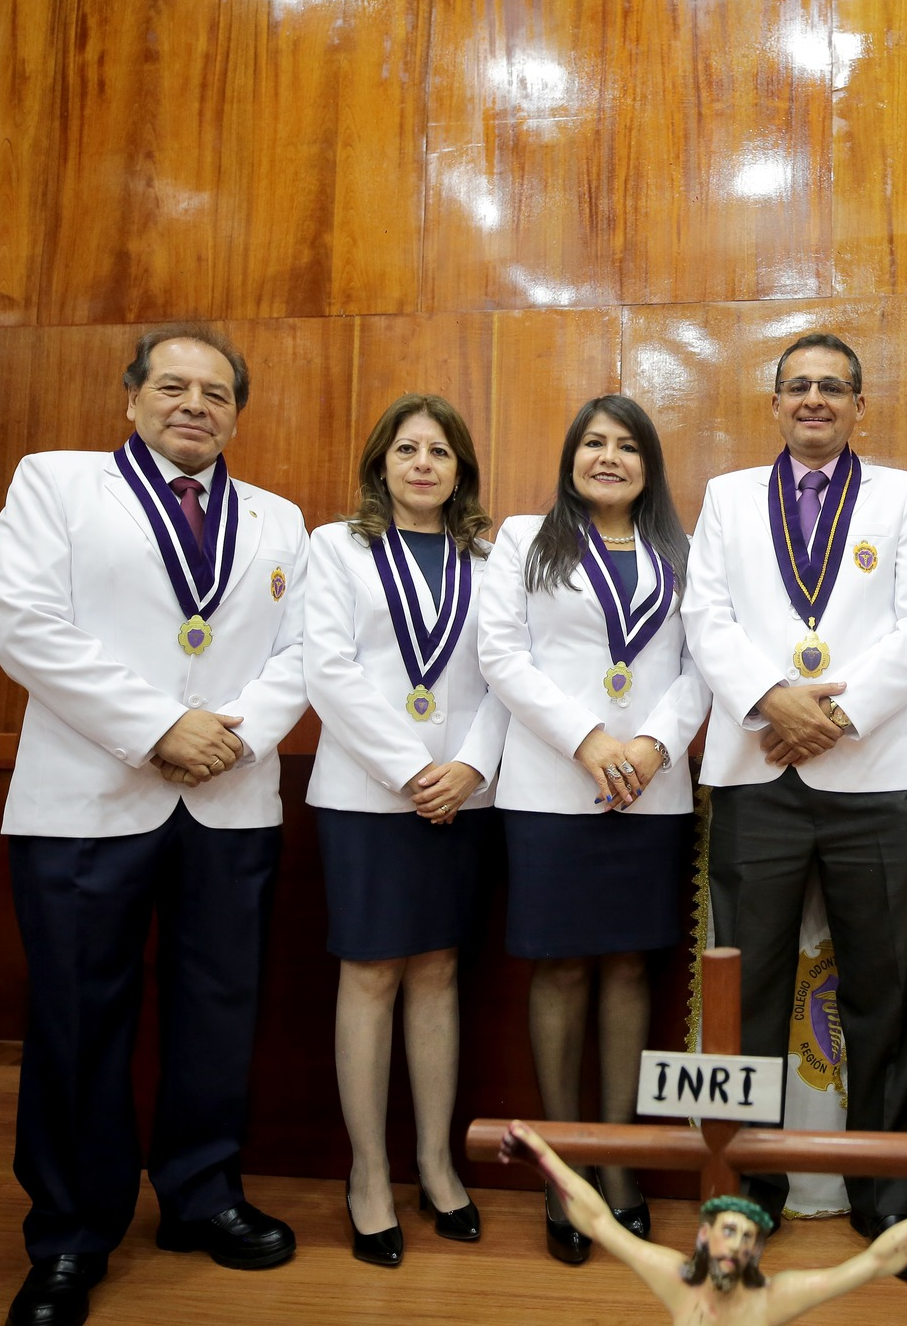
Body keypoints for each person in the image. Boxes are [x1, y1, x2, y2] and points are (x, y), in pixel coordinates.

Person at [0, 324, 309, 1326]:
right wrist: (159, 726)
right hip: (88, 797)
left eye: (216, 393)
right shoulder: (56, 483)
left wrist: (225, 741)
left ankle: (202, 1195)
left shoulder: (278, 519)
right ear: (131, 397)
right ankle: (70, 1233)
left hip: (228, 797)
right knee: (79, 1017)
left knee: (217, 1007)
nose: (194, 405)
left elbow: (302, 653)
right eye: (173, 386)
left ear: (236, 414)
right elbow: (25, 623)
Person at [681, 333, 907, 1277]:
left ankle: (887, 1203)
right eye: (797, 385)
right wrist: (773, 699)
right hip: (757, 773)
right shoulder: (726, 497)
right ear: (774, 402)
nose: (813, 399)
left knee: (887, 996)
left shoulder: (902, 496)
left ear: (859, 405)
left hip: (872, 776)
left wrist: (834, 716)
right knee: (742, 997)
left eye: (832, 387)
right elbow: (705, 617)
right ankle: (742, 1199)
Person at [478, 395, 710, 1265]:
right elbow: (501, 655)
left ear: (650, 466)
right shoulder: (522, 539)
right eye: (593, 443)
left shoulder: (683, 553)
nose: (608, 457)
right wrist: (588, 740)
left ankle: (619, 1159)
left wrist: (650, 745)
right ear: (571, 457)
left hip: (650, 786)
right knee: (563, 965)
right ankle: (565, 1167)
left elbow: (701, 665)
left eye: (627, 446)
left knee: (629, 966)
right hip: (552, 785)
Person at [304, 393, 509, 1267]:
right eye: (406, 449)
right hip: (366, 793)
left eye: (440, 451)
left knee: (437, 969)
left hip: (464, 793)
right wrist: (411, 769)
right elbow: (329, 669)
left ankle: (434, 1163)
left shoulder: (491, 559)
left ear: (461, 470)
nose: (423, 464)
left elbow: (509, 673)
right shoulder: (335, 546)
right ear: (380, 464)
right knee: (372, 972)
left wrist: (468, 767)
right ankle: (368, 1175)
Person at [493, 1119, 907, 1325]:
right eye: (729, 1231)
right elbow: (598, 1220)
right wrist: (543, 1158)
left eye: (747, 1238)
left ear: (757, 1252)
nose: (736, 1245)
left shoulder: (774, 1300)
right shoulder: (676, 1281)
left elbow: (875, 1261)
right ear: (704, 1236)